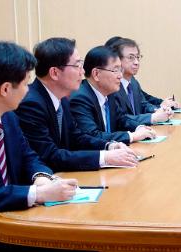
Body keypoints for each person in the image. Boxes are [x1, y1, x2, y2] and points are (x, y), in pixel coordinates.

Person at [0, 40, 94, 252]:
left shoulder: (8, 117)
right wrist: (36, 193)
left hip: (15, 220)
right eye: (26, 83)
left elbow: (29, 156)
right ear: (6, 89)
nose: (29, 89)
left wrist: (41, 178)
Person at [15, 38, 138, 172]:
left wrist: (109, 146)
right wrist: (104, 157)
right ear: (54, 73)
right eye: (77, 65)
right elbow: (49, 155)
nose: (83, 71)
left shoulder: (61, 99)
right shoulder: (31, 104)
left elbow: (76, 137)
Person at [70, 46, 156, 144]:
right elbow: (92, 136)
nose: (120, 76)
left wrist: (139, 127)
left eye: (121, 70)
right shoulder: (80, 98)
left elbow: (121, 119)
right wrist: (131, 136)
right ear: (96, 74)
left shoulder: (109, 93)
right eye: (115, 70)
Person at [105, 37, 178, 125]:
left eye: (138, 57)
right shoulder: (111, 86)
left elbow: (143, 104)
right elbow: (120, 119)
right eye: (131, 57)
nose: (136, 62)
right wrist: (153, 118)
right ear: (117, 60)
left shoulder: (133, 82)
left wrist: (159, 110)